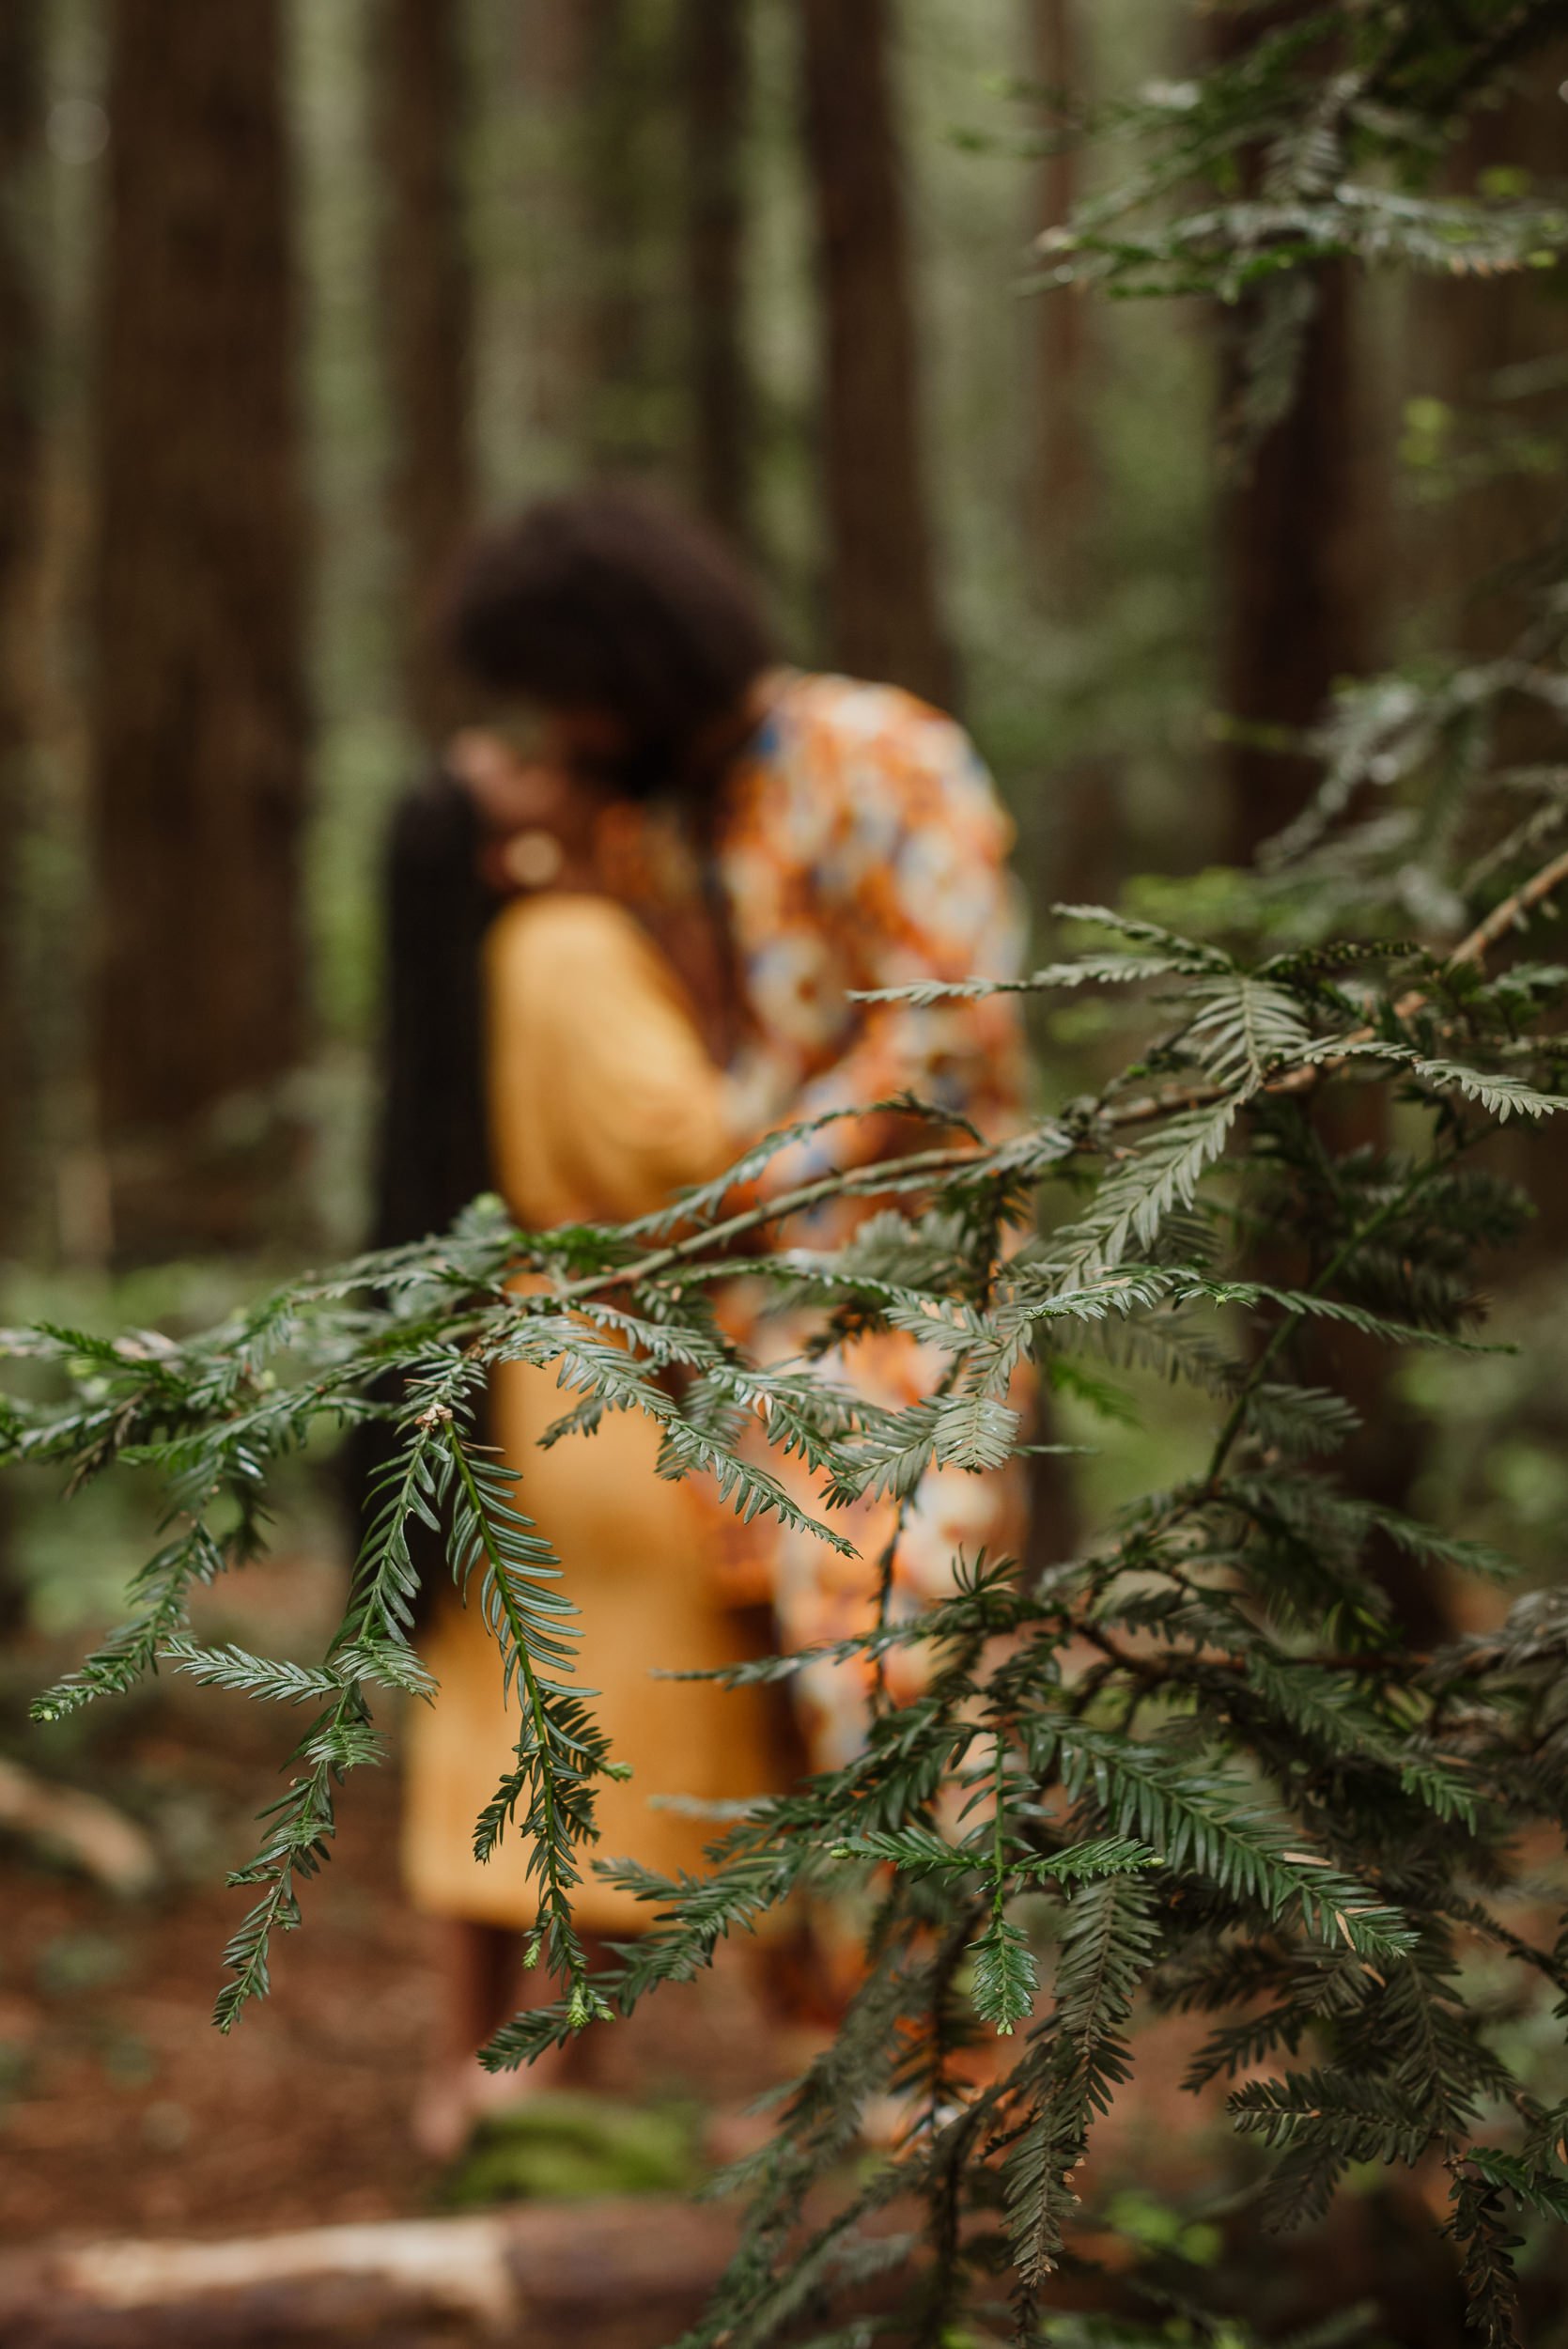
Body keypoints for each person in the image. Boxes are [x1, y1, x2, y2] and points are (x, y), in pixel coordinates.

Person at [440, 489, 1032, 1781]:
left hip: (907, 1299)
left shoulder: (878, 754)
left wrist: (742, 1183)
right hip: (713, 1350)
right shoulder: (637, 830)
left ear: (627, 664)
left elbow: (949, 1026)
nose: (560, 733)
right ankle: (834, 1992)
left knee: (881, 1659)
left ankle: (942, 1979)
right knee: (760, 1749)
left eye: (564, 696)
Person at [371, 763, 779, 2157]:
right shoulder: (564, 942)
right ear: (516, 846)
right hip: (606, 1384)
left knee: (496, 1729)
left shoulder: (464, 974)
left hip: (503, 1378)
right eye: (524, 773)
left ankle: (461, 2085)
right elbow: (675, 1147)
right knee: (614, 1747)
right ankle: (542, 2087)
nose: (567, 769)